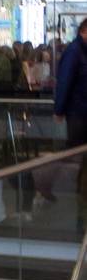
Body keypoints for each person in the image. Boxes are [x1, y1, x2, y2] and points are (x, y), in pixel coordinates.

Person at [53, 16, 87, 222]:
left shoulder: (80, 52)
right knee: (77, 159)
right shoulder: (74, 52)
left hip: (81, 113)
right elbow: (64, 81)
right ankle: (77, 205)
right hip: (78, 115)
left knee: (80, 159)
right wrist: (60, 110)